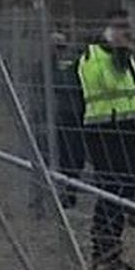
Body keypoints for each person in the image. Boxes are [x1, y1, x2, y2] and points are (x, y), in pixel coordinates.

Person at [76, 10, 135, 270]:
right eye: (118, 27)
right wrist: (120, 51)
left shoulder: (125, 58)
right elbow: (106, 84)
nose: (125, 32)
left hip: (128, 128)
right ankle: (103, 252)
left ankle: (113, 250)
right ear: (105, 30)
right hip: (105, 129)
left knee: (124, 190)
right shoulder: (94, 56)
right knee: (111, 190)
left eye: (126, 26)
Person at [50, 32, 85, 208]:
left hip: (76, 114)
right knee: (63, 156)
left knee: (75, 156)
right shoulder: (47, 65)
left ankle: (71, 192)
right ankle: (64, 193)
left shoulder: (73, 64)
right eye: (57, 47)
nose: (60, 51)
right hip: (59, 115)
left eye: (62, 47)